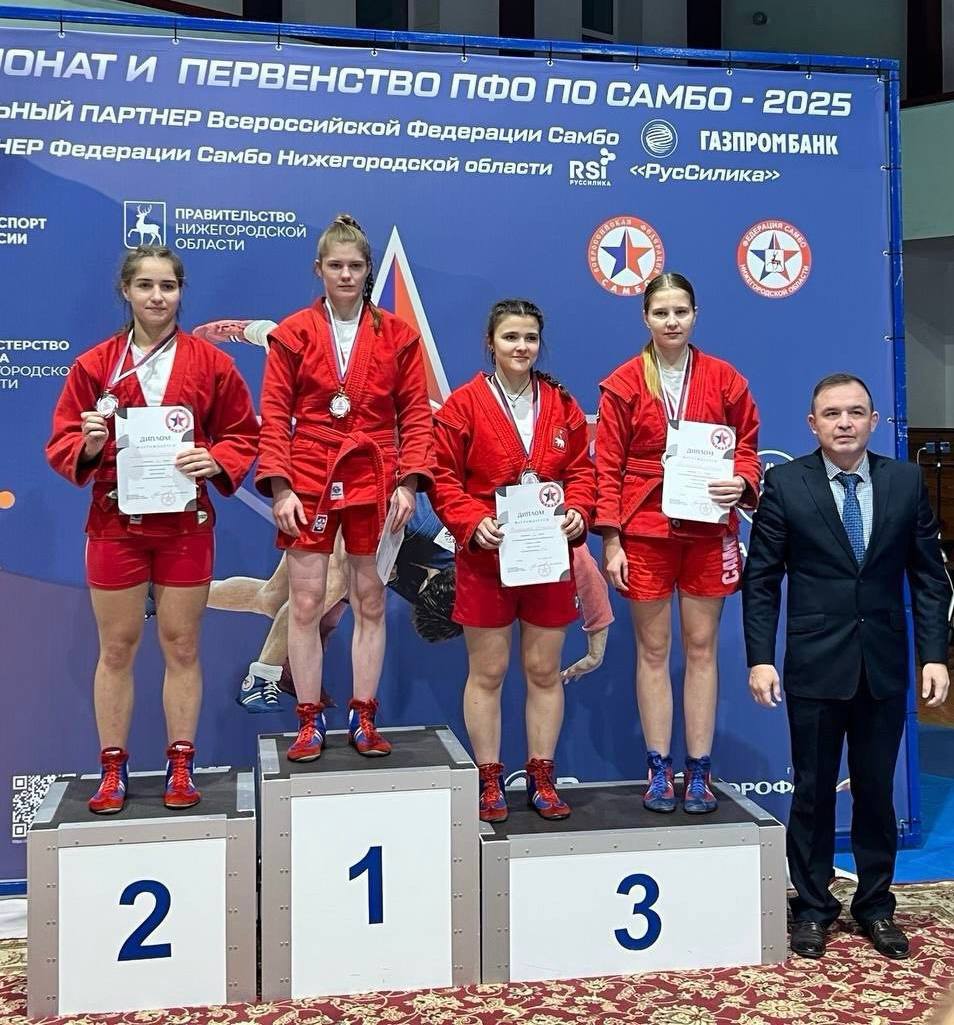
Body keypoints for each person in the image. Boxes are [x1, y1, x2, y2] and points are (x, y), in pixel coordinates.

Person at [742, 372, 950, 960]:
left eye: (855, 412)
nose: (844, 423)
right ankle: (812, 908)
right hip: (813, 665)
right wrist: (760, 658)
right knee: (812, 792)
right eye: (832, 414)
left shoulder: (905, 481)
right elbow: (761, 581)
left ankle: (876, 906)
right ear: (813, 424)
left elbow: (929, 579)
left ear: (874, 421)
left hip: (883, 664)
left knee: (877, 792)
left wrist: (935, 655)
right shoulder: (786, 484)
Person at [45, 246, 259, 814]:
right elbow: (62, 441)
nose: (157, 296)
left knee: (182, 645)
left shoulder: (212, 363)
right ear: (126, 291)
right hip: (116, 524)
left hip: (185, 525)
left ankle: (181, 765)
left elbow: (243, 433)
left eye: (168, 286)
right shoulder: (95, 365)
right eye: (145, 285)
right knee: (116, 647)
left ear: (181, 291)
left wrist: (216, 458)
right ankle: (112, 770)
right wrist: (89, 444)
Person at [256, 213, 434, 761]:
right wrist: (281, 487)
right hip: (309, 471)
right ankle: (309, 719)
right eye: (336, 266)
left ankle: (364, 715)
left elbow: (416, 416)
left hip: (376, 474)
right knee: (306, 602)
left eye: (355, 266)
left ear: (368, 269)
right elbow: (274, 414)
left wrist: (408, 482)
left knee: (370, 600)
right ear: (319, 269)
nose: (346, 275)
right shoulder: (293, 332)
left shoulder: (398, 336)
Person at [594, 271, 760, 814]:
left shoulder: (725, 379)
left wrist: (743, 481)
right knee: (653, 649)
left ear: (695, 315)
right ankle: (659, 767)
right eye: (661, 312)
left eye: (680, 312)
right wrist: (612, 541)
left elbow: (747, 447)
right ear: (645, 317)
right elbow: (607, 467)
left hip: (708, 528)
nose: (671, 322)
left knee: (702, 648)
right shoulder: (623, 383)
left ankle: (700, 770)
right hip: (645, 531)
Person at [430, 298, 596, 822]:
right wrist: (470, 521)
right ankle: (489, 778)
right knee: (489, 671)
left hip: (547, 558)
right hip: (488, 558)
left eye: (529, 338)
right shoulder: (463, 405)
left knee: (544, 670)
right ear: (491, 343)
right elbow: (442, 478)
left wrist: (579, 510)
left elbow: (582, 472)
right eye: (510, 337)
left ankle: (542, 776)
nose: (521, 347)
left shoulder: (562, 404)